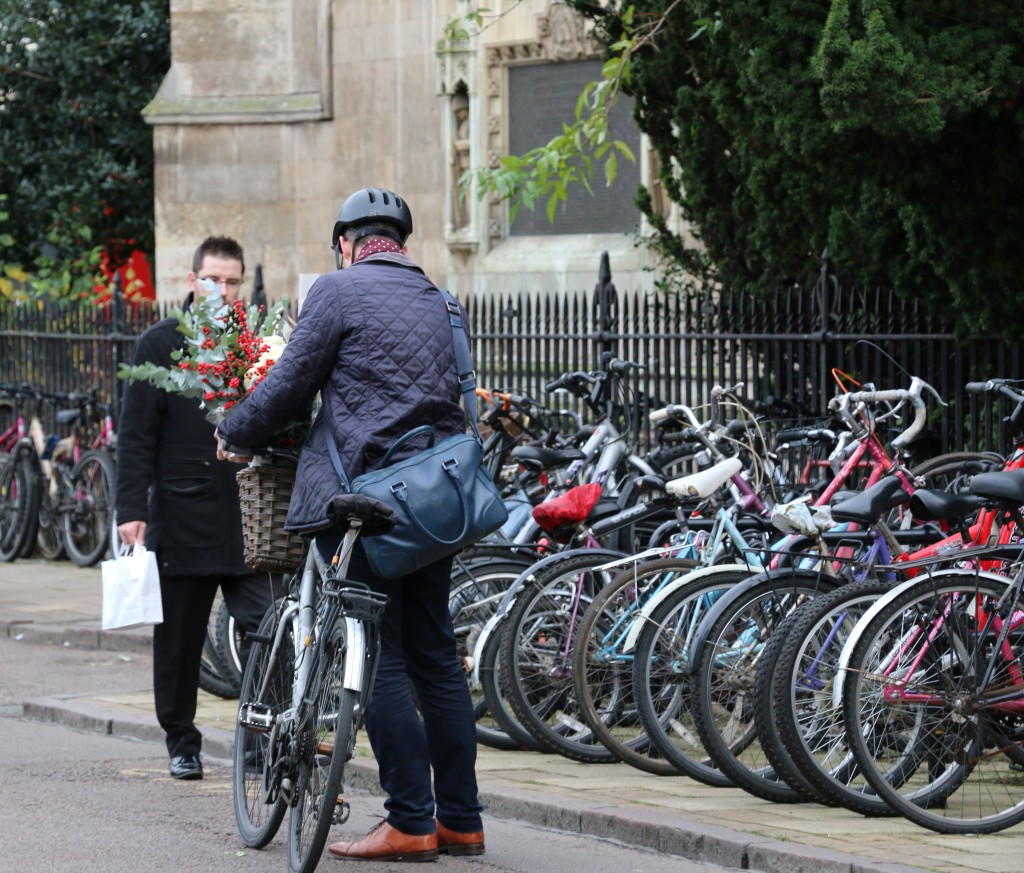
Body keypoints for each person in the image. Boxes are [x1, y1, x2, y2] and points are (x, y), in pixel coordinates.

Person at [215, 189, 485, 861]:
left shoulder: (336, 292)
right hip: (434, 504)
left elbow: (289, 386)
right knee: (435, 657)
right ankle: (461, 819)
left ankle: (410, 818)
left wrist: (234, 427)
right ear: (400, 240)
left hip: (361, 504)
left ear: (347, 242)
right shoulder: (444, 303)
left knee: (382, 653)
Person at [115, 235, 279, 782]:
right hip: (182, 514)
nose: (223, 290)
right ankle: (181, 742)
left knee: (266, 627)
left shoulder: (257, 344)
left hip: (248, 517)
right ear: (192, 281)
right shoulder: (159, 343)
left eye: (232, 281)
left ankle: (260, 739)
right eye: (213, 279)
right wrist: (130, 509)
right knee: (180, 641)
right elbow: (136, 436)